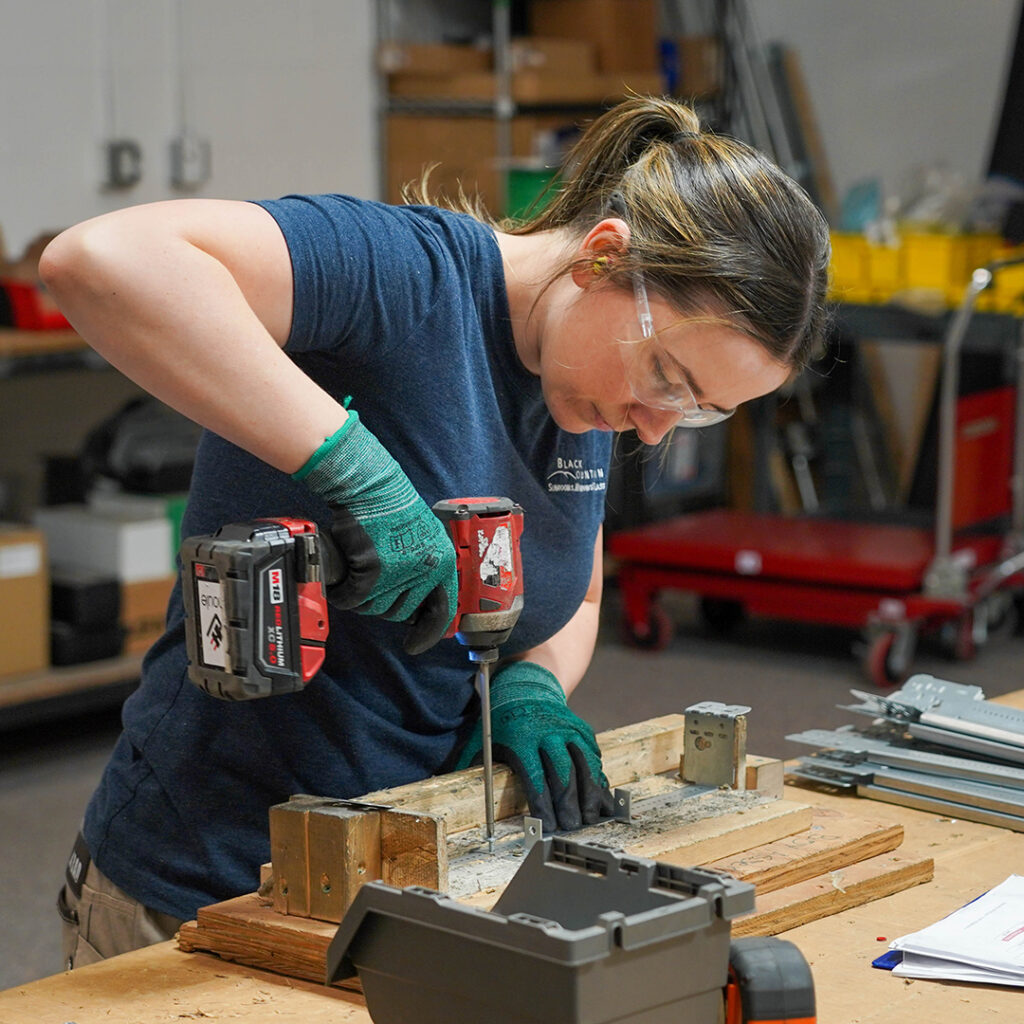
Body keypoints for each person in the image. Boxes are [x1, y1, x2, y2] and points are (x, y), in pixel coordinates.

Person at [41, 95, 831, 967]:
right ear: (605, 258)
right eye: (666, 376)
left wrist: (532, 686)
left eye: (699, 409)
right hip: (203, 884)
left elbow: (578, 587)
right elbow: (100, 260)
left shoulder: (592, 393)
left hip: (405, 878)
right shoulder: (407, 278)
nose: (656, 426)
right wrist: (355, 469)